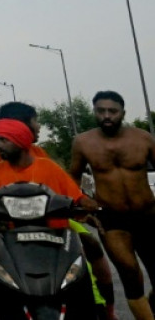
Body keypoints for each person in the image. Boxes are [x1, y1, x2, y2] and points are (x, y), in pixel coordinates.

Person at [0, 102, 116, 320]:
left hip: (55, 227)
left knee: (91, 244)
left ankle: (109, 306)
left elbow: (73, 194)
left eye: (3, 140)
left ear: (20, 138)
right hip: (6, 230)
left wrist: (86, 202)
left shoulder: (46, 164)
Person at [71, 90, 155, 320]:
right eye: (101, 111)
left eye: (112, 111)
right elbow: (72, 179)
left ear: (123, 113)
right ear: (94, 112)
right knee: (130, 274)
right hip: (111, 219)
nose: (107, 116)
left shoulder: (143, 138)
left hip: (148, 215)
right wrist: (81, 203)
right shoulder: (83, 142)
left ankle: (149, 308)